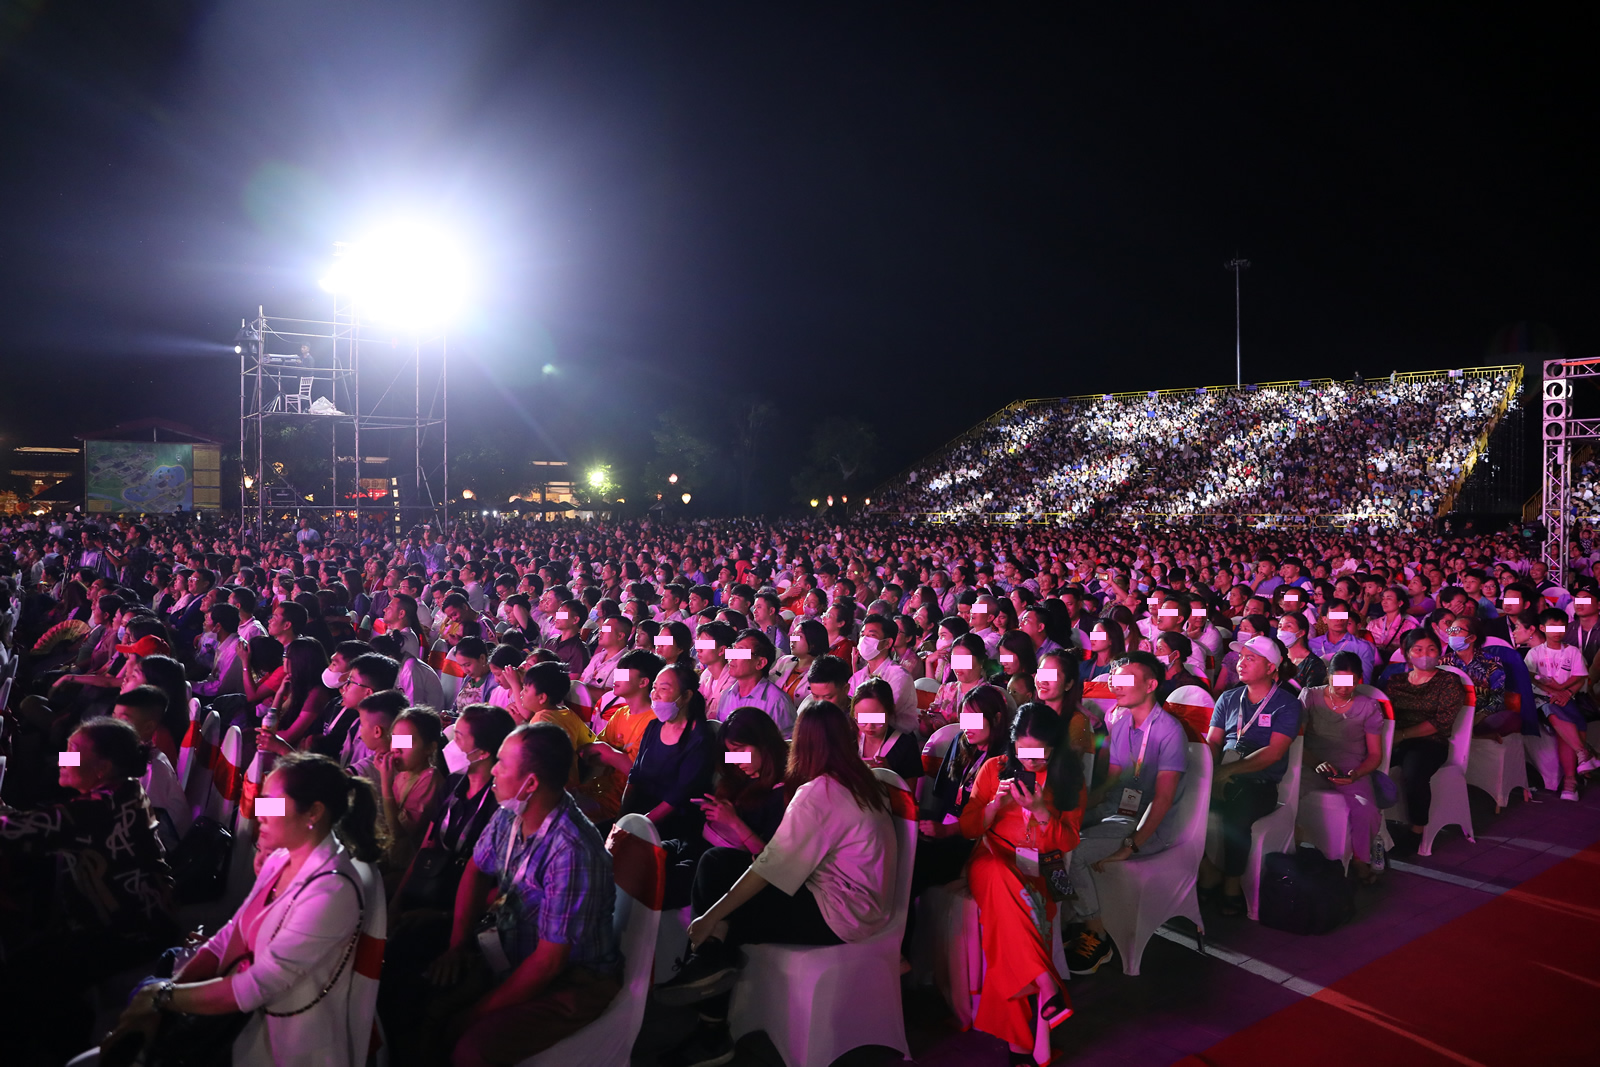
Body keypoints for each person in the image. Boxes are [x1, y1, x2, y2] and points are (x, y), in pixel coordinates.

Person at [95, 752, 384, 1067]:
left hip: (289, 1047)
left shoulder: (333, 891)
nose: (260, 811)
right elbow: (230, 935)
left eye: (272, 803)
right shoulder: (280, 858)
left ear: (313, 812)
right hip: (242, 1030)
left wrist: (162, 995)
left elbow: (258, 985)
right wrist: (173, 986)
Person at [654, 702, 897, 1067]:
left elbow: (771, 867)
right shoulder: (863, 780)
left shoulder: (818, 792)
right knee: (716, 863)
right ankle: (710, 965)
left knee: (727, 911)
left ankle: (711, 1025)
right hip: (851, 900)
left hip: (838, 913)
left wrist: (711, 917)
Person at [421, 723, 621, 1067]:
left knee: (472, 1048)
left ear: (530, 783)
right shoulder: (511, 812)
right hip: (510, 942)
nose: (493, 770)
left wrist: (474, 1014)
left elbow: (548, 963)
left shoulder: (572, 852)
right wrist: (457, 945)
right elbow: (476, 870)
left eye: (501, 762)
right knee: (416, 973)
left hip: (572, 979)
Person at [0, 719, 178, 1066]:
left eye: (73, 752)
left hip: (126, 933)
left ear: (103, 768)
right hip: (143, 922)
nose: (63, 759)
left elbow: (15, 832)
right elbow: (36, 825)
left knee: (17, 979)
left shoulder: (96, 810)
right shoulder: (126, 789)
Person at [381, 705, 517, 1066]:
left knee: (403, 975)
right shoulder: (457, 784)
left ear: (484, 752)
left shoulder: (501, 805)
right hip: (430, 890)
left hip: (460, 913)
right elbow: (427, 844)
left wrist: (438, 915)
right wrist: (397, 902)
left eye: (459, 737)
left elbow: (500, 890)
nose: (450, 742)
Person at [959, 701, 1085, 1064]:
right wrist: (992, 808)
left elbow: (1069, 841)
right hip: (993, 856)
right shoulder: (994, 769)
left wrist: (1044, 813)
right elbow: (968, 829)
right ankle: (1047, 986)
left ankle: (1020, 1043)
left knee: (1008, 926)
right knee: (1001, 879)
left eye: (1039, 755)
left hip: (1045, 865)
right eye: (1023, 753)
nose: (1030, 763)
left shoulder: (1067, 778)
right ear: (1012, 745)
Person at [1064, 653, 1187, 974]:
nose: (1115, 686)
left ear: (1151, 685)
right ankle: (1074, 921)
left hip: (1145, 826)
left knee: (1070, 850)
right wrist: (1074, 812)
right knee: (1053, 834)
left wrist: (1130, 846)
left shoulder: (1169, 731)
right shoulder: (1118, 721)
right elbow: (1113, 781)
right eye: (1114, 678)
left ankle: (1096, 932)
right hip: (1114, 813)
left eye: (1126, 679)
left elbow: (1162, 800)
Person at [1199, 635, 1302, 915]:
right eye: (1241, 657)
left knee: (1237, 811)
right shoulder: (1229, 698)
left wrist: (1225, 771)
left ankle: (1232, 885)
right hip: (1223, 774)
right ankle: (1207, 870)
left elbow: (1273, 753)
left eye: (1250, 658)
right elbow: (1213, 743)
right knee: (1179, 801)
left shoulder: (1287, 704)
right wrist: (1208, 773)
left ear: (1271, 668)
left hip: (1260, 781)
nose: (1241, 664)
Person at [1299, 653, 1385, 884]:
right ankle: (1292, 849)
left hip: (1351, 767)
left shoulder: (1368, 706)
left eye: (1350, 682)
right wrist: (1315, 763)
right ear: (1328, 677)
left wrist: (1357, 773)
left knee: (1365, 809)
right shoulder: (1310, 696)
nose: (1343, 688)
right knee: (1287, 795)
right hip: (1311, 762)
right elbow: (1297, 740)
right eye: (1338, 681)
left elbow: (1375, 754)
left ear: (1359, 680)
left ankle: (1360, 859)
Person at [1382, 629, 1466, 847]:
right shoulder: (1396, 680)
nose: (1425, 654)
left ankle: (1417, 830)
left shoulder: (1448, 681)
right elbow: (1385, 714)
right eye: (1418, 650)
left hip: (1429, 742)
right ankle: (1375, 823)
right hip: (1396, 739)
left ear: (1439, 652)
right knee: (1365, 763)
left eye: (1431, 649)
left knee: (1414, 774)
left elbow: (1442, 722)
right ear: (1406, 653)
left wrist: (1402, 735)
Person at [622, 658, 719, 845]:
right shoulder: (653, 726)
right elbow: (634, 776)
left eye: (664, 689)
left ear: (686, 696)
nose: (655, 695)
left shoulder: (699, 739)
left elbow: (678, 796)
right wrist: (623, 816)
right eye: (654, 688)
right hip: (639, 815)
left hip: (672, 824)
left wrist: (640, 826)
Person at [1523, 608, 1600, 801]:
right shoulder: (1534, 653)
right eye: (1552, 626)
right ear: (1542, 628)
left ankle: (1571, 780)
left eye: (1561, 626)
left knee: (1562, 716)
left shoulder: (1572, 652)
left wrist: (1566, 692)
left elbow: (1580, 677)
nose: (1557, 631)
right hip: (1541, 701)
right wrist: (1554, 691)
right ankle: (1581, 754)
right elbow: (1530, 678)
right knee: (1552, 708)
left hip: (1566, 700)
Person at [112, 684, 193, 850]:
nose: (114, 724)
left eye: (124, 720)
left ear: (149, 727)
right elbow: (87, 754)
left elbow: (142, 825)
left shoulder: (153, 768)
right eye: (114, 716)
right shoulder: (121, 747)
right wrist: (61, 760)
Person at [375, 706, 448, 890]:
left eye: (406, 742)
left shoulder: (429, 778)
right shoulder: (402, 774)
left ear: (429, 748)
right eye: (395, 740)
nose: (396, 749)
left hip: (407, 869)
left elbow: (399, 832)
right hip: (390, 859)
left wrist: (385, 783)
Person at [710, 628, 797, 736]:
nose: (731, 656)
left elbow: (787, 746)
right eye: (733, 649)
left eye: (740, 652)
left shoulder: (777, 702)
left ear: (760, 663)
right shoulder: (727, 695)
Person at [850, 676, 923, 784]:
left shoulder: (906, 745)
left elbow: (908, 796)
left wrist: (889, 774)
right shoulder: (847, 738)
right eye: (863, 719)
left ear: (890, 711)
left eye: (877, 719)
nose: (870, 726)